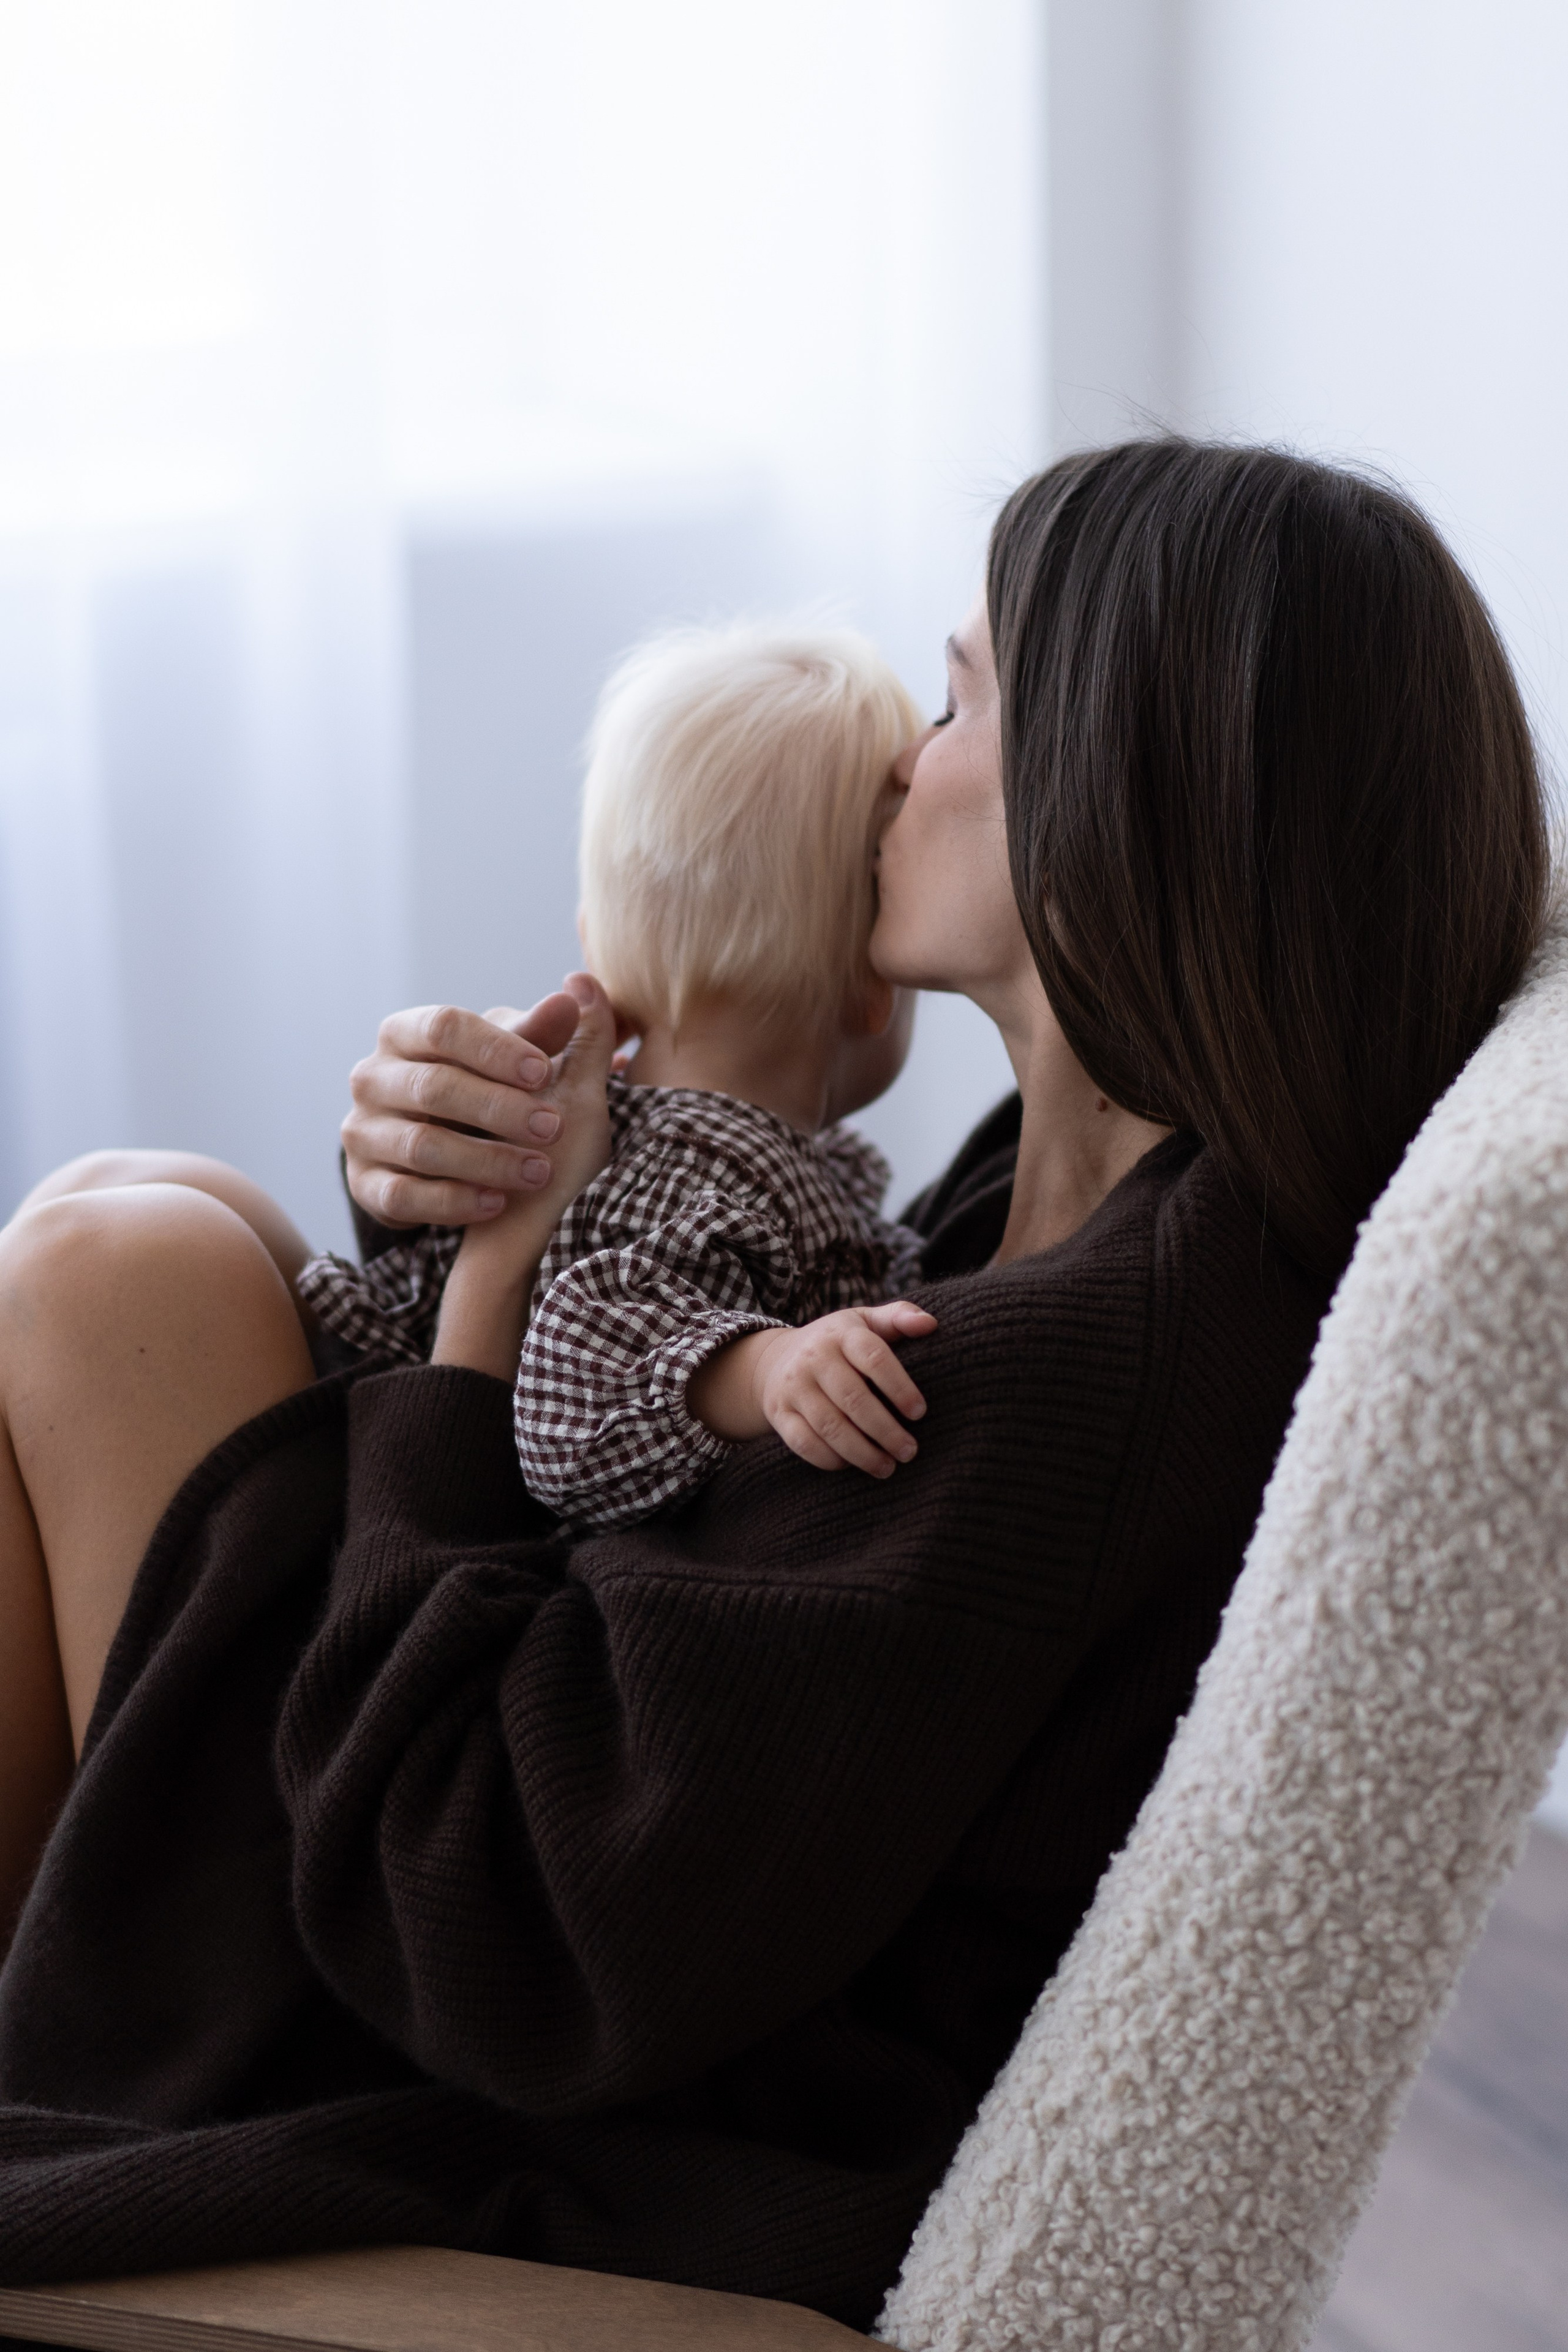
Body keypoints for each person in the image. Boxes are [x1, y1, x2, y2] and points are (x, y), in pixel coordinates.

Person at [0, 441, 1548, 2332]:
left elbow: (502, 1932)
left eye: (961, 702)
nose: (904, 762)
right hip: (555, 1942)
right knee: (160, 1219)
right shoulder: (1091, 1212)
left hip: (501, 2045)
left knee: (118, 1271)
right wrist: (481, 1185)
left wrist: (487, 1311)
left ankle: (72, 2051)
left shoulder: (1041, 1388)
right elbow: (715, 1528)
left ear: (1110, 794)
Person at [298, 624, 941, 1529]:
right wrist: (761, 1368)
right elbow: (574, 1401)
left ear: (593, 939)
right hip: (409, 1527)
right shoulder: (699, 1172)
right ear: (877, 986)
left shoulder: (739, 1162)